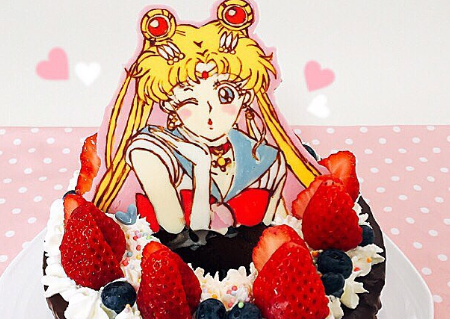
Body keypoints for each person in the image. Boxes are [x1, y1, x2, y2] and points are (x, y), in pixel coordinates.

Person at [93, 1, 325, 234]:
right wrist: (201, 167)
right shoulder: (150, 150)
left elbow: (282, 231)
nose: (209, 111)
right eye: (189, 100)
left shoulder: (268, 160)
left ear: (245, 97)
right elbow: (176, 230)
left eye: (225, 95)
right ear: (169, 105)